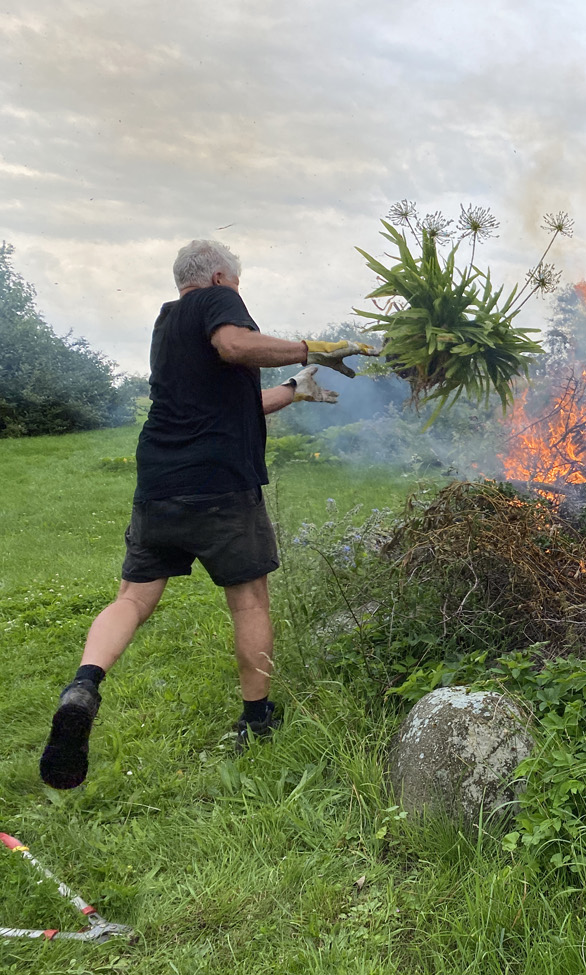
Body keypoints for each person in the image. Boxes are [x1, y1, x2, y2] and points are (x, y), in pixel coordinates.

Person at [39, 239, 378, 790]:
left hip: (160, 483)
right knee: (248, 600)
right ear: (220, 277)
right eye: (236, 288)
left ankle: (83, 686)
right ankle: (256, 719)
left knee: (132, 597)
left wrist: (294, 390)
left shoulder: (167, 322)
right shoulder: (214, 304)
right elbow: (234, 344)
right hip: (220, 484)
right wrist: (309, 348)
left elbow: (229, 394)